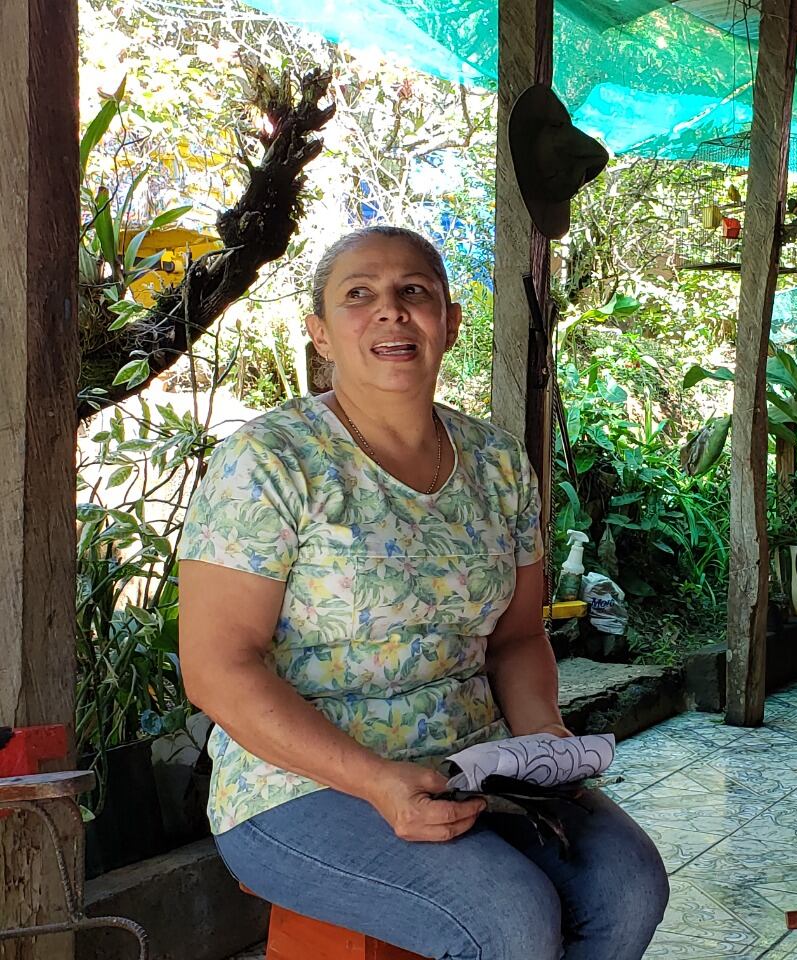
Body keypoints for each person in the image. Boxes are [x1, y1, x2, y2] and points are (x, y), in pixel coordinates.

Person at [178, 225, 668, 960]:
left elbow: (517, 636)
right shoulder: (270, 461)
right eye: (359, 295)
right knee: (509, 918)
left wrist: (541, 740)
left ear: (449, 319)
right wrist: (376, 782)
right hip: (297, 783)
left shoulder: (497, 463)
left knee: (629, 885)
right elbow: (219, 667)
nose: (391, 311)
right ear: (319, 333)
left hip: (472, 764)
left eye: (415, 292)